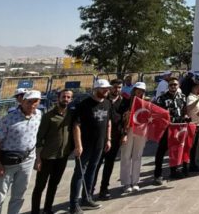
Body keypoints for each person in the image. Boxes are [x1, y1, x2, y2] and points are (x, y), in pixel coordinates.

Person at [0, 90, 43, 214]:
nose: (32, 105)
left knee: (19, 194)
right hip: (7, 161)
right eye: (29, 102)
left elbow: (36, 139)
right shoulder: (8, 119)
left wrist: (37, 159)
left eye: (35, 102)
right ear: (22, 102)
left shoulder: (38, 115)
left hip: (27, 160)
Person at [69, 79, 113, 213]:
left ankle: (86, 198)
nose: (106, 91)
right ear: (96, 89)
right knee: (79, 173)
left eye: (107, 88)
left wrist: (108, 139)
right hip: (85, 144)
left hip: (99, 144)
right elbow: (76, 125)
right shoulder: (84, 104)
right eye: (103, 88)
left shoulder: (107, 103)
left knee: (92, 171)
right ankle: (74, 204)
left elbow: (108, 122)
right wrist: (78, 145)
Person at [32, 89, 73, 214]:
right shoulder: (48, 116)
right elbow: (39, 138)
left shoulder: (70, 116)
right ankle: (35, 210)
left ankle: (48, 208)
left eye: (68, 97)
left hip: (62, 156)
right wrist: (37, 158)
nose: (65, 99)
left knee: (54, 185)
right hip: (47, 156)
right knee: (40, 186)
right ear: (58, 98)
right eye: (63, 97)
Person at [153, 77, 187, 182]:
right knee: (161, 151)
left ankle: (174, 171)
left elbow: (184, 110)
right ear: (168, 86)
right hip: (166, 128)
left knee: (176, 150)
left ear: (178, 85)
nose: (173, 86)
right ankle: (157, 175)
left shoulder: (182, 97)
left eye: (175, 84)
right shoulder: (162, 98)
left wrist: (185, 117)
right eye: (171, 85)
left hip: (178, 127)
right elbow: (158, 114)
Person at [120, 82, 147, 194]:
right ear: (134, 90)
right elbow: (121, 118)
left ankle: (135, 181)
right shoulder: (126, 102)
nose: (139, 92)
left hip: (141, 130)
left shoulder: (145, 103)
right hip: (129, 130)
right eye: (137, 89)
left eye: (142, 90)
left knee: (137, 155)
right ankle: (126, 182)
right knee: (126, 155)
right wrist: (123, 133)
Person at [185, 81, 199, 173]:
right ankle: (187, 164)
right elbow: (189, 108)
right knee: (190, 146)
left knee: (195, 146)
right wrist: (198, 100)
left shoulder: (198, 97)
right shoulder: (190, 97)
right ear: (195, 88)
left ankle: (192, 164)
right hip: (192, 125)